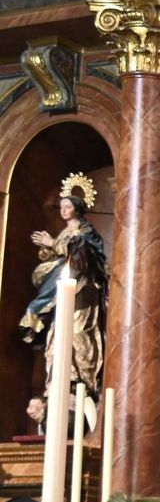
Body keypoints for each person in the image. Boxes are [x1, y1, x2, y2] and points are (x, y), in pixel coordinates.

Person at [19, 172, 108, 407]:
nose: (63, 210)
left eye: (68, 206)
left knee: (78, 333)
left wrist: (53, 244)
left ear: (77, 208)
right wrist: (49, 247)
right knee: (57, 336)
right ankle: (58, 381)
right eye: (61, 206)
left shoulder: (86, 231)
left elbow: (85, 255)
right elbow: (59, 256)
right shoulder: (64, 233)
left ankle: (81, 382)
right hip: (61, 293)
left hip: (83, 293)